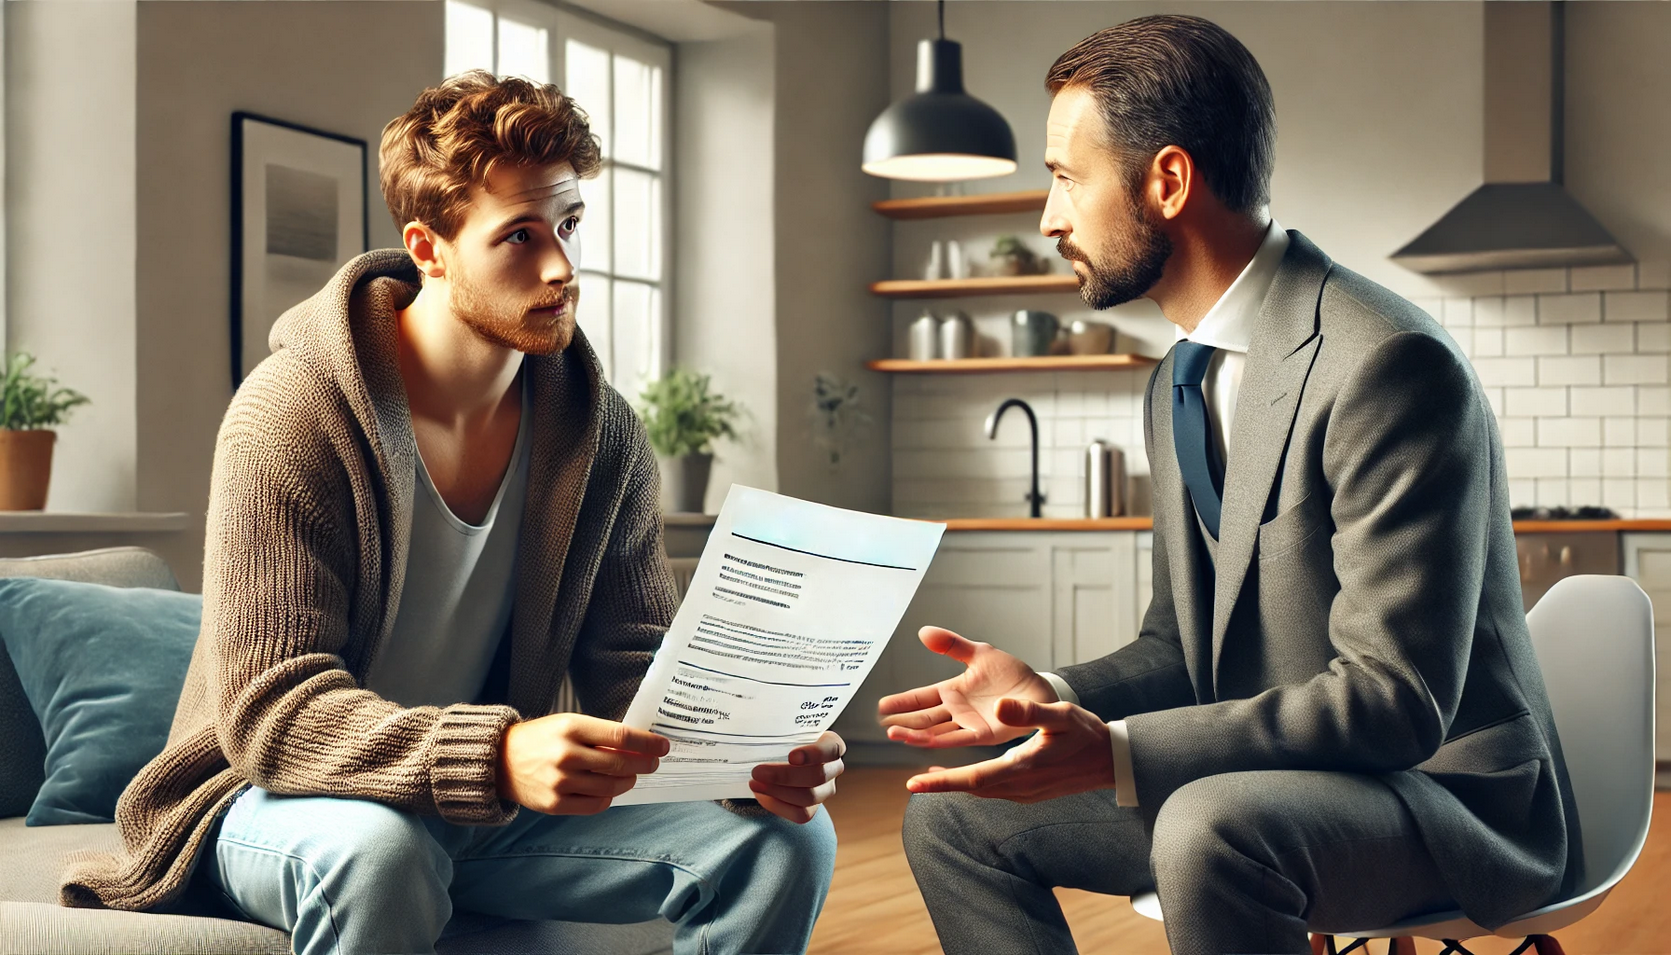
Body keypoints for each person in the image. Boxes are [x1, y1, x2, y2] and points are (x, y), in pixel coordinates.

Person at [61, 71, 842, 955]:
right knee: (381, 853)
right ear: (428, 248)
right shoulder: (292, 414)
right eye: (518, 236)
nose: (561, 266)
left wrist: (746, 758)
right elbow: (270, 713)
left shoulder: (601, 431)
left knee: (781, 841)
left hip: (483, 810)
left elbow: (633, 661)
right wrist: (499, 753)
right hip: (272, 799)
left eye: (569, 226)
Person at [881, 16, 1579, 955]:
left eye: (1064, 177)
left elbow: (1395, 698)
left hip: (1445, 796)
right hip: (1271, 783)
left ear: (1166, 181)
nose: (1048, 219)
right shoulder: (1176, 377)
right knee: (952, 817)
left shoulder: (1387, 364)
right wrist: (1042, 698)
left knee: (1206, 827)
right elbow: (1178, 647)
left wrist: (1121, 750)